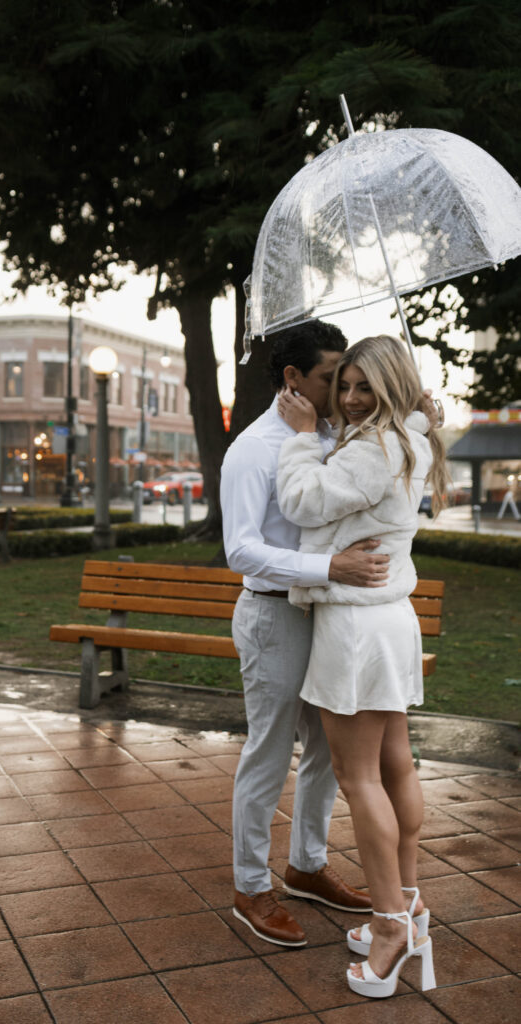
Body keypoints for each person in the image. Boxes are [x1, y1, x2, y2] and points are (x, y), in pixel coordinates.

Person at [276, 334, 447, 997]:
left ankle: (387, 928)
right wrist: (419, 414)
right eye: (342, 385)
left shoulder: (375, 445)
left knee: (358, 776)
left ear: (390, 388)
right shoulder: (403, 435)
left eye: (363, 387)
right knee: (392, 763)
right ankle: (408, 905)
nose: (348, 398)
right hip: (385, 619)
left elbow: (301, 502)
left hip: (354, 625)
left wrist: (298, 435)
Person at [221, 320, 391, 949]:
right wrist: (330, 567)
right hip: (273, 616)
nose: (344, 389)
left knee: (327, 748)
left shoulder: (331, 436)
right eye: (330, 378)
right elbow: (241, 549)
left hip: (329, 614)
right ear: (293, 379)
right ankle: (249, 884)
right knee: (268, 751)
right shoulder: (252, 449)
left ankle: (307, 866)